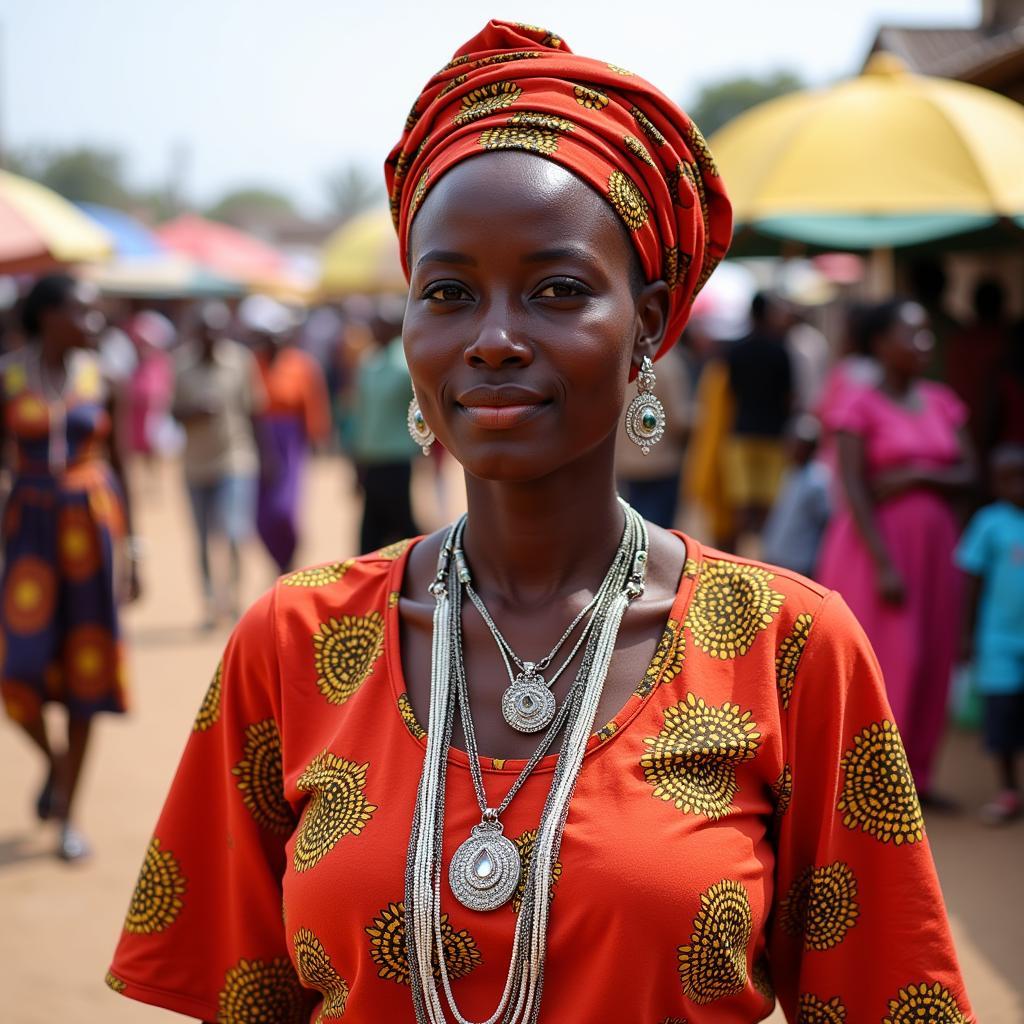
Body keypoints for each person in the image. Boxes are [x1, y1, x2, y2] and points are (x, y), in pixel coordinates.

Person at [108, 22, 973, 1024]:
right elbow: (236, 993)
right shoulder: (296, 644)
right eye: (448, 293)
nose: (495, 339)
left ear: (648, 322)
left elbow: (885, 996)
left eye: (557, 290)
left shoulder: (789, 650)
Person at [0, 274, 138, 861]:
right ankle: (55, 762)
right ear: (48, 315)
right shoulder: (6, 377)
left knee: (86, 669)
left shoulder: (102, 377)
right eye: (82, 312)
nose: (93, 322)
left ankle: (69, 818)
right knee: (15, 667)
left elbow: (122, 464)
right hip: (28, 528)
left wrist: (136, 554)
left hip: (91, 529)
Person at [816, 299, 975, 807]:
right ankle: (875, 783)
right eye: (912, 334)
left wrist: (916, 475)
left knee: (935, 656)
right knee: (890, 660)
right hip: (875, 549)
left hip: (937, 549)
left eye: (927, 333)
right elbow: (854, 489)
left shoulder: (942, 401)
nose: (923, 344)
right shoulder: (856, 406)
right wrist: (883, 561)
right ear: (881, 344)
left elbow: (971, 473)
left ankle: (920, 777)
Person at [172, 301, 262, 627]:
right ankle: (211, 602)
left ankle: (235, 597)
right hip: (195, 465)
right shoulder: (180, 365)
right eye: (204, 329)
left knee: (235, 531)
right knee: (202, 538)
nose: (210, 335)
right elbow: (171, 413)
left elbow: (254, 411)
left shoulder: (240, 362)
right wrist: (194, 411)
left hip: (235, 460)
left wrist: (267, 458)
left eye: (215, 329)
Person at [955, 444, 1024, 824]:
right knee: (1002, 713)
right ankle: (1008, 790)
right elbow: (972, 584)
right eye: (1007, 479)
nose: (1017, 485)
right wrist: (965, 637)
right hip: (998, 640)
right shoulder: (989, 524)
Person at [241, 295, 332, 574]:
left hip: (290, 442)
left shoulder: (302, 365)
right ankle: (279, 563)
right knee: (260, 516)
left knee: (285, 511)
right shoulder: (250, 365)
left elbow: (314, 405)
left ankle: (289, 559)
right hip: (257, 439)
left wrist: (318, 438)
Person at [723, 292, 794, 546]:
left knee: (741, 501)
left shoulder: (736, 350)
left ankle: (740, 556)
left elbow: (731, 392)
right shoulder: (781, 351)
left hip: (741, 432)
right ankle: (763, 556)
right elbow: (789, 397)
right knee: (767, 503)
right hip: (773, 435)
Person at [351, 298, 420, 553]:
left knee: (402, 524)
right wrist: (357, 461)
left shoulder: (405, 366)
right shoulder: (368, 363)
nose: (375, 329)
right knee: (370, 532)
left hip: (397, 457)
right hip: (372, 459)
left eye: (381, 324)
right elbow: (362, 414)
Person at [614, 343, 690, 527]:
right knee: (657, 531)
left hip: (625, 462)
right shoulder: (668, 364)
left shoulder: (622, 361)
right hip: (661, 463)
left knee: (632, 526)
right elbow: (678, 421)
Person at [760, 414, 830, 578]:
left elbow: (825, 523)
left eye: (800, 446)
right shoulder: (790, 472)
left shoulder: (817, 480)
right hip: (776, 555)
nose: (793, 449)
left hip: (798, 562)